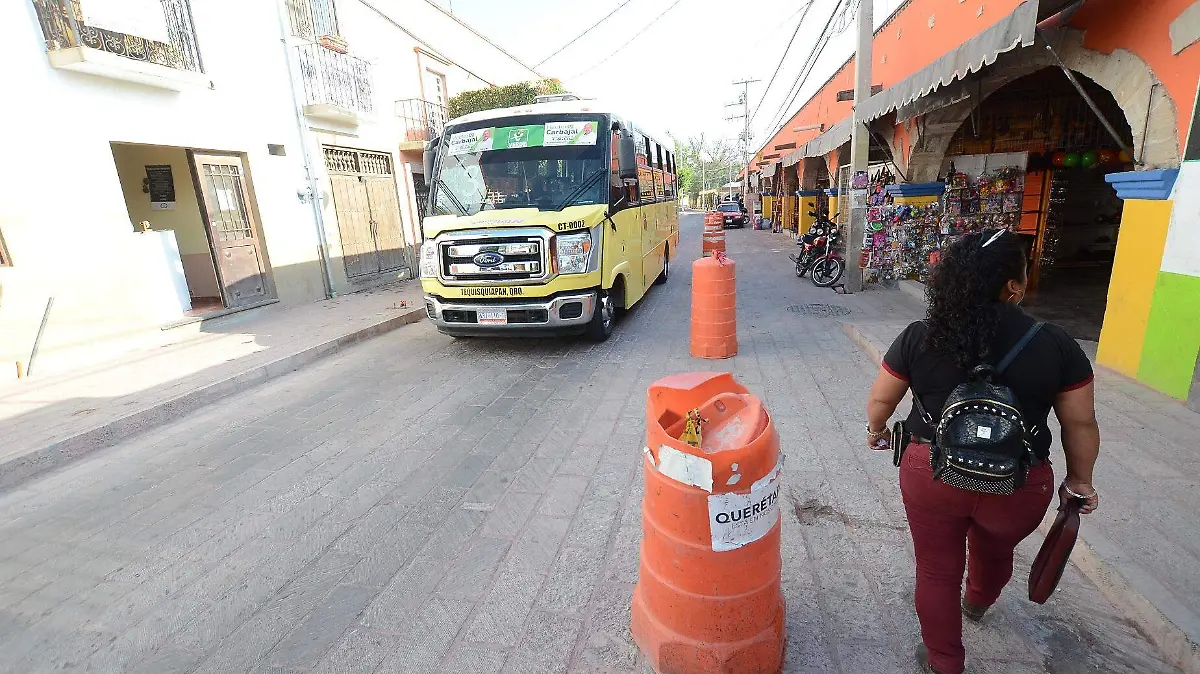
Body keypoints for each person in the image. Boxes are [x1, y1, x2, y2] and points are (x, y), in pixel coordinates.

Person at [864, 229, 1101, 674]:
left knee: (936, 569)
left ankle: (944, 662)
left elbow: (881, 400)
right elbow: (1080, 423)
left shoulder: (921, 335)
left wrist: (876, 431)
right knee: (995, 550)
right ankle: (977, 602)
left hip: (932, 470)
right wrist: (1080, 481)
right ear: (1013, 286)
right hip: (1018, 483)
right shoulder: (1056, 343)